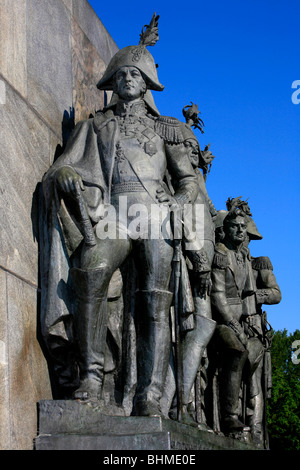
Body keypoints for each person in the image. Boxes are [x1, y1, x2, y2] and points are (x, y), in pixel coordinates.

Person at [42, 15, 200, 417]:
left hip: (154, 218)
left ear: (147, 82)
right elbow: (67, 165)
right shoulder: (95, 126)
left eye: (136, 73)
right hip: (112, 215)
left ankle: (150, 392)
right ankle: (92, 376)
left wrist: (177, 206)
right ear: (112, 81)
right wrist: (61, 173)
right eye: (122, 73)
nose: (129, 78)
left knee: (152, 302)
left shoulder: (169, 130)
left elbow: (188, 182)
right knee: (92, 270)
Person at [210, 202, 264, 433]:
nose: (241, 231)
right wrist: (234, 325)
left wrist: (250, 321)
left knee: (254, 349)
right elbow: (217, 297)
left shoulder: (243, 256)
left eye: (243, 227)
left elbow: (247, 297)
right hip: (221, 321)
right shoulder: (220, 254)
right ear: (227, 228)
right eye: (235, 227)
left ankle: (250, 418)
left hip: (240, 322)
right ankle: (229, 415)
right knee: (237, 350)